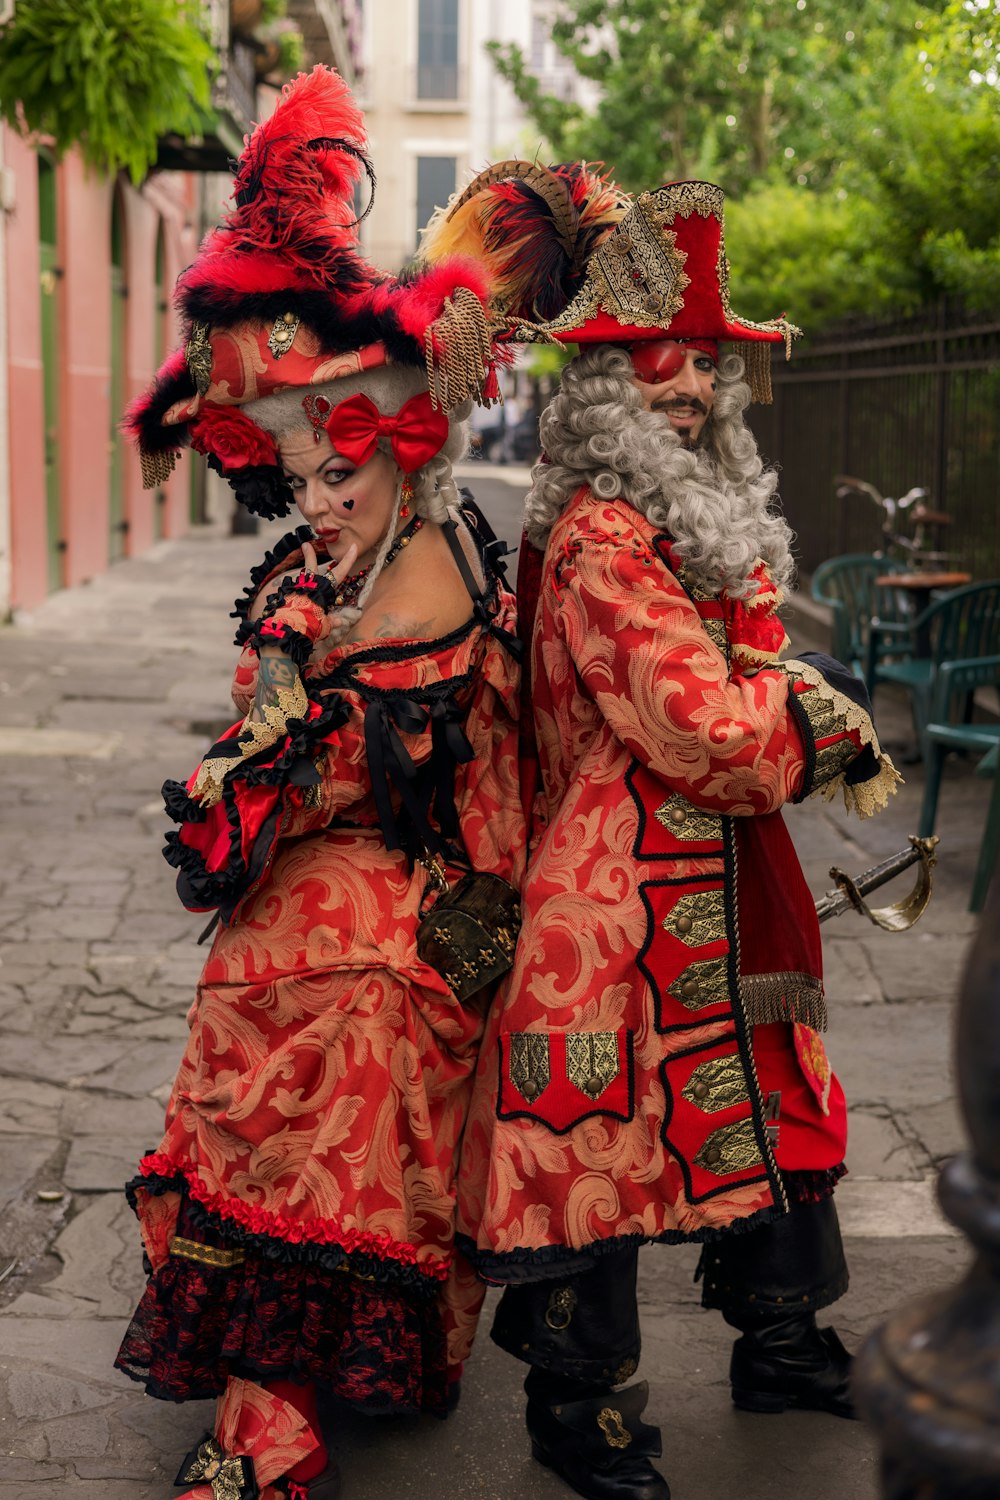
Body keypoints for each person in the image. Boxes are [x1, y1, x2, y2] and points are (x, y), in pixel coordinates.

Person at [422, 168, 901, 1499]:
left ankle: (783, 1346)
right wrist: (821, 717)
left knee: (775, 1091)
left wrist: (776, 673)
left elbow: (738, 683)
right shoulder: (599, 544)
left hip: (723, 880)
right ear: (595, 399)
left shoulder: (688, 534)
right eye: (661, 376)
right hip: (611, 903)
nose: (693, 396)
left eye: (710, 378)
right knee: (602, 1149)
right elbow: (708, 730)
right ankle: (584, 1415)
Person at [115, 68, 525, 1500]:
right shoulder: (317, 563)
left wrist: (284, 773)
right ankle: (259, 1359)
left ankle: (269, 1416)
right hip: (312, 885)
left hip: (423, 902)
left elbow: (432, 782)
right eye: (300, 459)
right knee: (265, 963)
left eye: (345, 451)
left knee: (343, 995)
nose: (320, 487)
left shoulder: (433, 565)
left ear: (409, 427)